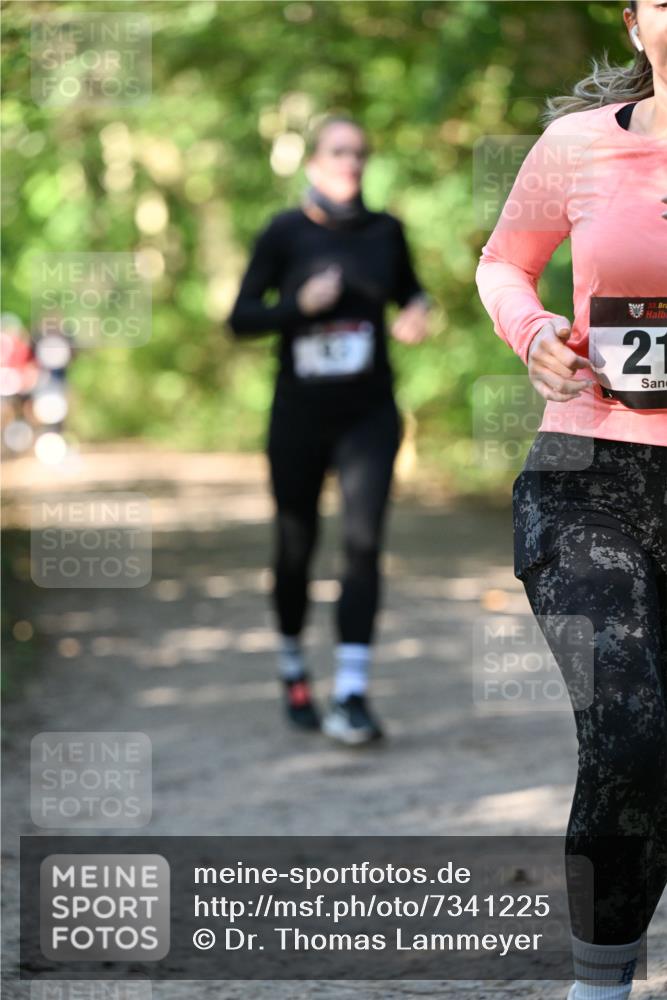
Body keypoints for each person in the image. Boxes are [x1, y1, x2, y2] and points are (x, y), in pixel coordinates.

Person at [476, 2, 666, 998]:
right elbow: (503, 262)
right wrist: (535, 330)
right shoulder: (577, 148)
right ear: (638, 25)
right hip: (589, 473)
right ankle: (598, 985)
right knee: (630, 728)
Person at [228, 114, 430, 745]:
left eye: (361, 154)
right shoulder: (284, 233)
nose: (352, 163)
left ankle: (351, 692)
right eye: (340, 153)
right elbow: (239, 319)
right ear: (313, 163)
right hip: (300, 416)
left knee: (364, 546)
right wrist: (297, 308)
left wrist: (418, 312)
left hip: (369, 414)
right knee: (295, 548)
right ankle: (293, 669)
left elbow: (412, 293)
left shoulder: (385, 232)